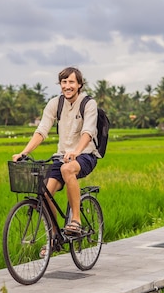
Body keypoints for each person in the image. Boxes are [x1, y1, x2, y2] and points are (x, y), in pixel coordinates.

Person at [12, 67, 100, 252]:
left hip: (85, 155)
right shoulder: (55, 103)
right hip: (61, 156)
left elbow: (88, 132)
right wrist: (24, 152)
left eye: (71, 82)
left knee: (67, 170)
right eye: (64, 82)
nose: (67, 86)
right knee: (44, 193)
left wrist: (76, 151)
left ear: (79, 85)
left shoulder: (88, 104)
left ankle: (75, 219)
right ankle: (54, 237)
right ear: (60, 85)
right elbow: (42, 130)